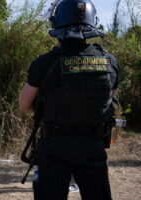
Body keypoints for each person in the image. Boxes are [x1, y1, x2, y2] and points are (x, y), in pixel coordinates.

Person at [19, 0, 119, 199]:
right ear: (93, 23)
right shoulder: (109, 61)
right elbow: (107, 100)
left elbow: (24, 104)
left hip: (55, 144)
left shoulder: (45, 62)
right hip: (93, 145)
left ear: (57, 24)